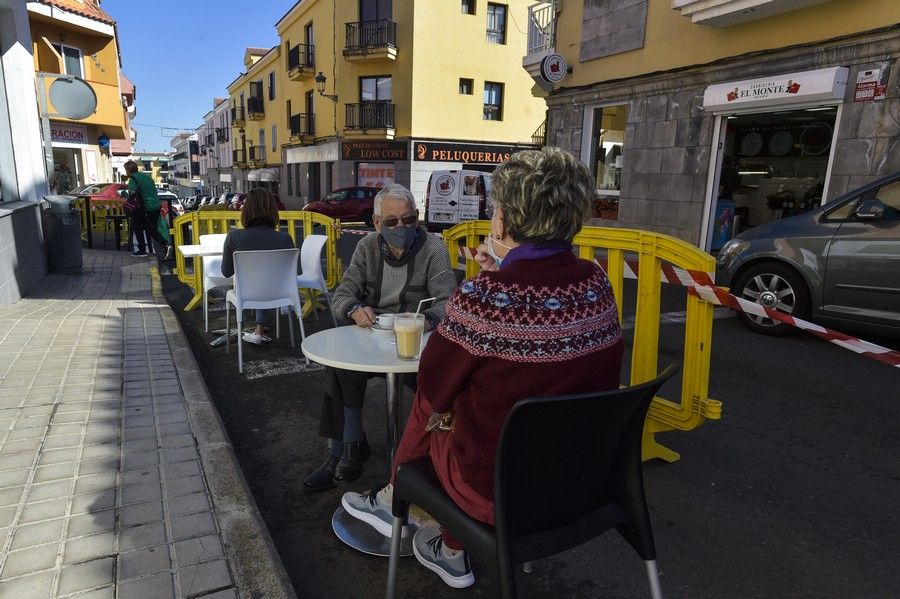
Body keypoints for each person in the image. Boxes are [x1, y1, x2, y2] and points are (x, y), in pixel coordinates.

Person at [340, 147, 624, 589]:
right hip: (584, 482)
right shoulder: (598, 284)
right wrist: (500, 277)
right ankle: (450, 546)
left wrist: (487, 286)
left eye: (496, 210)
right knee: (486, 403)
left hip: (494, 492)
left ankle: (396, 497)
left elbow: (433, 388)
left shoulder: (483, 299)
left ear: (506, 220)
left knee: (438, 408)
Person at [302, 184, 457, 493]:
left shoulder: (434, 249)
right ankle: (346, 449)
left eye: (408, 219)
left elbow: (449, 301)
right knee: (340, 368)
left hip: (417, 345)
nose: (401, 227)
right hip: (372, 339)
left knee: (441, 384)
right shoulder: (367, 248)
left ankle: (433, 463)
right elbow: (342, 294)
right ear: (376, 224)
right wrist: (355, 309)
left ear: (416, 217)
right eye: (391, 222)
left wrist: (426, 319)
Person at [220, 188, 294, 345]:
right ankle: (260, 330)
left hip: (246, 294)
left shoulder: (234, 237)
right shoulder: (285, 239)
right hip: (279, 295)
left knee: (255, 282)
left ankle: (255, 332)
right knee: (264, 281)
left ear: (246, 210)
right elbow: (296, 272)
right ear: (273, 210)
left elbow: (226, 272)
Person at [124, 160, 172, 259]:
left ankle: (145, 249)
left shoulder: (133, 179)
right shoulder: (146, 177)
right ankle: (164, 247)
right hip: (156, 205)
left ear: (128, 170)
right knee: (152, 227)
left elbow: (132, 193)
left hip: (146, 207)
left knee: (139, 228)